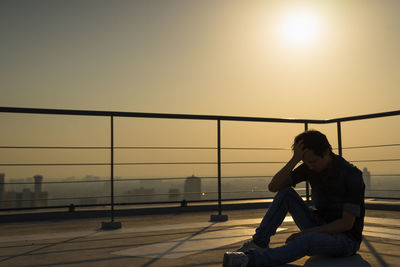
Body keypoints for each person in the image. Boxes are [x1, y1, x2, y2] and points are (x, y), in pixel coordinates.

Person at [223, 130, 365, 267]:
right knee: (286, 193)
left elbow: (346, 224)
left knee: (307, 240)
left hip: (346, 239)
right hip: (319, 225)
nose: (310, 166)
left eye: (313, 161)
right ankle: (259, 243)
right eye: (306, 162)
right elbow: (274, 186)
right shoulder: (310, 166)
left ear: (326, 152)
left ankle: (249, 260)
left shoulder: (351, 174)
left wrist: (306, 233)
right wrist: (294, 160)